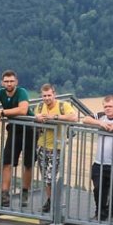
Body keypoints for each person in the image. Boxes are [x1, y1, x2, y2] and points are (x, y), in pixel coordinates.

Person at [0, 69, 32, 205]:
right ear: (2, 83)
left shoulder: (22, 92)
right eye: (6, 81)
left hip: (30, 129)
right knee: (7, 162)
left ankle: (25, 194)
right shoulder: (0, 93)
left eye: (11, 81)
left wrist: (1, 112)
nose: (9, 84)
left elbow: (23, 110)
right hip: (14, 129)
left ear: (16, 82)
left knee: (28, 163)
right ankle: (4, 196)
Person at [31, 83, 78, 213]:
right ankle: (51, 201)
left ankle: (52, 202)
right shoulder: (40, 107)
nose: (47, 98)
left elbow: (74, 117)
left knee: (50, 177)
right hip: (41, 146)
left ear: (54, 94)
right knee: (45, 178)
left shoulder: (63, 106)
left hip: (56, 148)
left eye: (49, 95)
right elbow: (33, 119)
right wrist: (37, 118)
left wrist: (54, 117)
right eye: (44, 96)